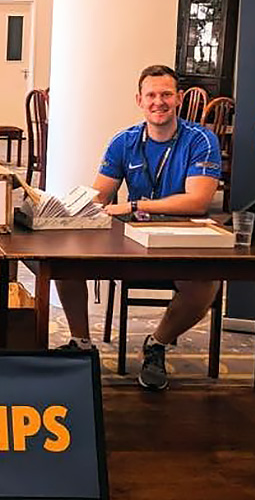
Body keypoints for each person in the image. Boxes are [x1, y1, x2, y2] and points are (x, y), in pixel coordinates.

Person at [56, 64, 222, 391]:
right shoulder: (124, 141)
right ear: (139, 100)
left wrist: (136, 205)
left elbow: (197, 201)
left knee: (205, 284)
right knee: (63, 263)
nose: (158, 102)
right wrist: (67, 205)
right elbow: (101, 195)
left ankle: (157, 343)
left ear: (179, 99)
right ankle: (81, 345)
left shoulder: (201, 140)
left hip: (183, 238)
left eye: (166, 95)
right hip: (131, 239)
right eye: (151, 95)